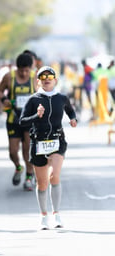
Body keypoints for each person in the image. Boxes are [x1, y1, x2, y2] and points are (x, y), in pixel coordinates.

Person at [19, 66, 77, 229]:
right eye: (43, 79)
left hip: (57, 141)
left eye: (49, 79)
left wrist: (73, 119)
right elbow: (22, 121)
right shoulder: (33, 100)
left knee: (55, 177)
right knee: (43, 183)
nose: (46, 81)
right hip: (38, 143)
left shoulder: (62, 98)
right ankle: (44, 215)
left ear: (55, 81)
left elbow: (70, 111)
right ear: (38, 82)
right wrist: (36, 115)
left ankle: (56, 213)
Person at [0, 53, 37, 191]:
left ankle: (29, 177)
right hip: (13, 118)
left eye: (27, 70)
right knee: (13, 151)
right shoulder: (9, 77)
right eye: (21, 71)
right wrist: (4, 100)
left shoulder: (35, 77)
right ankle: (18, 167)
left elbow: (43, 93)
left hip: (30, 120)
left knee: (28, 150)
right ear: (17, 68)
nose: (24, 73)